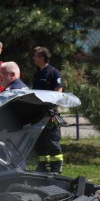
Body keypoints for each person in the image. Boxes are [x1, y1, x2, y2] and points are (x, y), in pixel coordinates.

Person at [32, 46, 64, 174]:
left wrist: (53, 109)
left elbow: (59, 91)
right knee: (39, 141)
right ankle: (43, 166)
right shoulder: (37, 74)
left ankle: (57, 167)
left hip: (51, 113)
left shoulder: (53, 72)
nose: (33, 58)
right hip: (39, 113)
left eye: (35, 56)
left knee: (52, 140)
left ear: (41, 58)